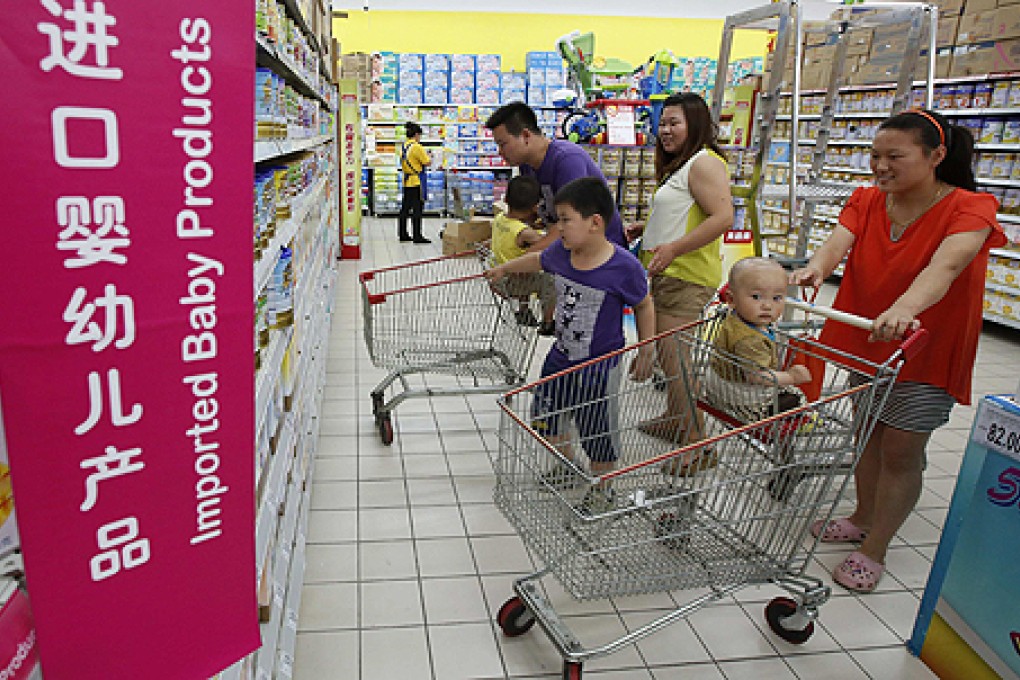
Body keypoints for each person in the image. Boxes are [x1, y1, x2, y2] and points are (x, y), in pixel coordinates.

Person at [790, 108, 1006, 593]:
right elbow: (837, 242)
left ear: (936, 156)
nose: (880, 166)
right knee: (867, 432)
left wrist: (906, 308)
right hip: (868, 340)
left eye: (894, 156)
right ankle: (863, 514)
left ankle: (875, 547)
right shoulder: (868, 200)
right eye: (875, 155)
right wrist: (815, 269)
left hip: (926, 346)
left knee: (902, 450)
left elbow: (946, 267)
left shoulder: (971, 208)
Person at [485, 178, 655, 514]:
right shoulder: (561, 254)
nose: (557, 227)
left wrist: (647, 348)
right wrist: (504, 268)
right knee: (546, 416)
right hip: (560, 356)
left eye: (565, 219)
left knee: (597, 430)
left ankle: (603, 486)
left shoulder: (623, 266)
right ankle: (568, 466)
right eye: (556, 219)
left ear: (595, 223)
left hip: (600, 366)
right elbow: (536, 261)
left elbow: (644, 304)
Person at [625, 92, 734, 472]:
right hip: (668, 273)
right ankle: (675, 420)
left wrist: (673, 249)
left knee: (676, 360)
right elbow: (686, 213)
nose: (666, 130)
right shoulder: (684, 166)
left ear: (696, 125)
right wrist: (647, 229)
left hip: (685, 277)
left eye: (675, 123)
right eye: (663, 122)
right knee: (673, 359)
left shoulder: (705, 163)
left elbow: (723, 217)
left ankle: (696, 444)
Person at [484, 102, 628, 249]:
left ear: (526, 136)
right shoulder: (526, 166)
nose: (499, 152)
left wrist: (525, 257)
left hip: (602, 254)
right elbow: (532, 215)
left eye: (502, 144)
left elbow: (573, 224)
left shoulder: (568, 160)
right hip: (571, 249)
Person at [707, 257, 811, 423]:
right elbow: (756, 376)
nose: (767, 306)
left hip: (721, 383)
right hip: (742, 397)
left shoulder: (737, 317)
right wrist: (791, 377)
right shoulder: (749, 340)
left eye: (776, 298)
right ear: (732, 300)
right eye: (756, 297)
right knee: (796, 398)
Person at [490, 175, 557, 335]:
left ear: (506, 199)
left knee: (522, 262)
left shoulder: (499, 219)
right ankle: (548, 322)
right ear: (535, 207)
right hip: (513, 283)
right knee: (550, 280)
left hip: (498, 279)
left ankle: (524, 310)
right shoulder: (524, 232)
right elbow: (547, 242)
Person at [398, 122, 431, 244]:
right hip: (417, 181)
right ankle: (417, 235)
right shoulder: (417, 147)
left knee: (405, 208)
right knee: (417, 209)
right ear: (416, 135)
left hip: (407, 181)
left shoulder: (404, 146)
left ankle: (402, 233)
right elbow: (427, 162)